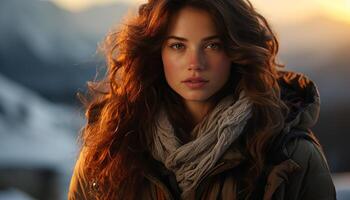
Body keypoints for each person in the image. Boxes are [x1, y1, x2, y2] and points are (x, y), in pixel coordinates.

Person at [68, 0, 336, 199]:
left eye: (212, 45)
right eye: (178, 46)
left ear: (235, 51)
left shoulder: (292, 156)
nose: (195, 63)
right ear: (156, 53)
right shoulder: (109, 150)